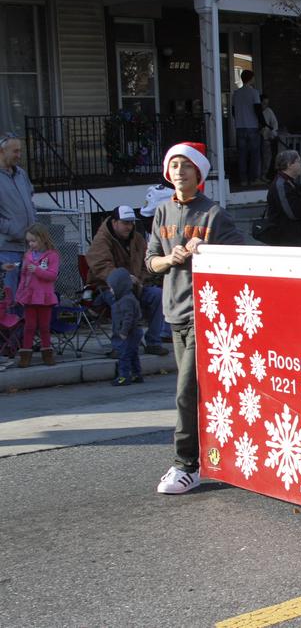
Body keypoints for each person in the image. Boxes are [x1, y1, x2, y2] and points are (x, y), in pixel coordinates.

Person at [146, 142, 244, 495]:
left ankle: (184, 465)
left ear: (199, 174)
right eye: (174, 165)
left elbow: (238, 256)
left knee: (186, 393)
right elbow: (150, 262)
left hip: (207, 315)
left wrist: (207, 251)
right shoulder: (161, 213)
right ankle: (211, 456)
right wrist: (169, 259)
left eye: (186, 166)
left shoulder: (214, 214)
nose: (179, 172)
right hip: (175, 313)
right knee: (198, 392)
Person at [86, 205, 169, 355]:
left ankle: (153, 342)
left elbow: (147, 262)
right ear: (114, 222)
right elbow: (100, 265)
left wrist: (139, 280)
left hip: (137, 286)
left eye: (131, 222)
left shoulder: (137, 238)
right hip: (107, 288)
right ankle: (120, 346)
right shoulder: (101, 239)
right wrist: (124, 280)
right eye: (125, 223)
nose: (129, 226)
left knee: (158, 295)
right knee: (124, 300)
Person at [11, 223, 59, 367]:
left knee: (44, 326)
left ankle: (47, 354)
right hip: (30, 296)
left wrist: (37, 270)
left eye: (33, 241)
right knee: (29, 326)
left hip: (45, 296)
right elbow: (24, 277)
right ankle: (25, 355)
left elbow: (52, 275)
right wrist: (19, 295)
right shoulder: (27, 255)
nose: (31, 244)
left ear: (43, 239)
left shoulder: (52, 255)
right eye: (29, 241)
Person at [0, 132, 37, 293]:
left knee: (27, 296)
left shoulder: (21, 174)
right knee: (10, 297)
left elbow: (30, 200)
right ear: (2, 151)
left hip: (28, 247)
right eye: (15, 151)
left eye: (20, 151)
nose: (19, 155)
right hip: (6, 249)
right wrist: (11, 229)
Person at [263, 150, 301, 247]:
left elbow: (300, 200)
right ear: (289, 164)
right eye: (298, 161)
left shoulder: (289, 182)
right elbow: (294, 213)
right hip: (289, 243)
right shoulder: (281, 184)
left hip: (299, 240)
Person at [106, 266, 144, 386]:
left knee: (124, 355)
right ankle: (136, 374)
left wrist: (123, 332)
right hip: (133, 332)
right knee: (133, 353)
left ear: (119, 286)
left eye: (112, 288)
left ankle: (124, 376)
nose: (110, 291)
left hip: (129, 333)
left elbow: (129, 318)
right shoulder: (125, 298)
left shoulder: (126, 300)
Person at [231, 70, 263, 186]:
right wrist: (262, 124)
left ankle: (243, 179)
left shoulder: (236, 93)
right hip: (252, 126)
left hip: (240, 127)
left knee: (242, 154)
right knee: (255, 154)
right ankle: (254, 178)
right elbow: (258, 110)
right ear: (251, 78)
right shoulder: (254, 93)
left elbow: (233, 111)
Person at [260, 94, 279, 178]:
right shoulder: (254, 111)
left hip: (266, 138)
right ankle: (256, 176)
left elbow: (274, 123)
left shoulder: (269, 111)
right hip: (256, 137)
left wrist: (273, 132)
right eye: (263, 103)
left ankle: (263, 175)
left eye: (267, 103)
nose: (265, 105)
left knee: (267, 157)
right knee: (257, 158)